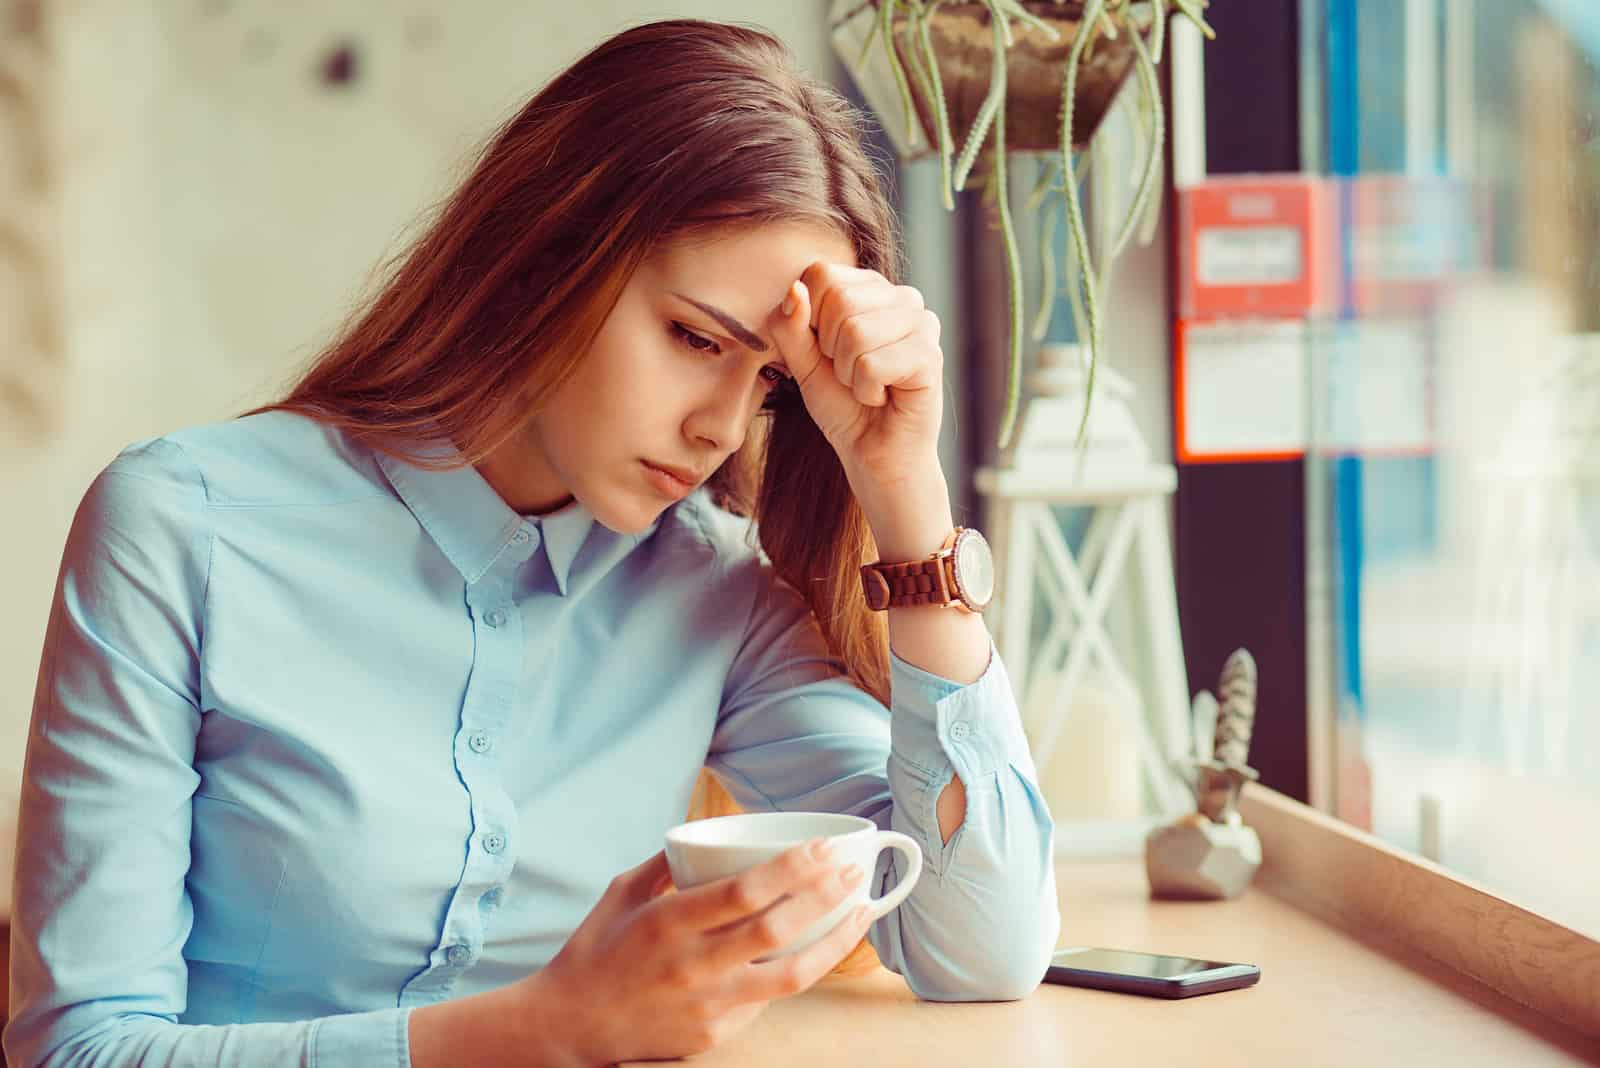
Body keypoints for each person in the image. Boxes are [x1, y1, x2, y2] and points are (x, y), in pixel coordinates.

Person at [4, 18, 1060, 1068]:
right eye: (695, 338)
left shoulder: (715, 596)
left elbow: (976, 946)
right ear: (549, 251)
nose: (723, 429)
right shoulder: (182, 527)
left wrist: (903, 485)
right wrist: (544, 1031)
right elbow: (80, 1051)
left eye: (771, 383)